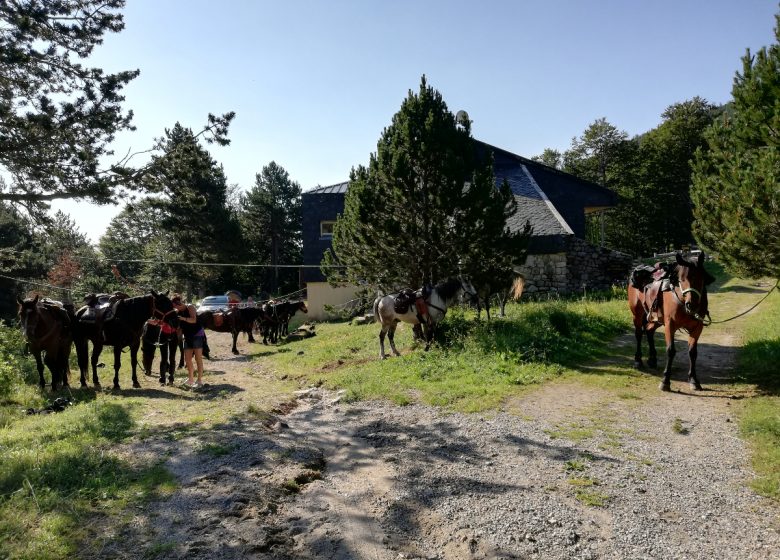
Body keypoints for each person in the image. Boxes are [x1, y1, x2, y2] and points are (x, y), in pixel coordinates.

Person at [171, 293, 205, 389]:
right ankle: (190, 379)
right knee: (188, 359)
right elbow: (179, 327)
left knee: (198, 359)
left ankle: (199, 381)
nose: (175, 308)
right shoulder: (178, 312)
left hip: (197, 335)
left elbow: (193, 320)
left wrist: (183, 318)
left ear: (179, 304)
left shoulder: (190, 307)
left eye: (175, 306)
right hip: (187, 336)